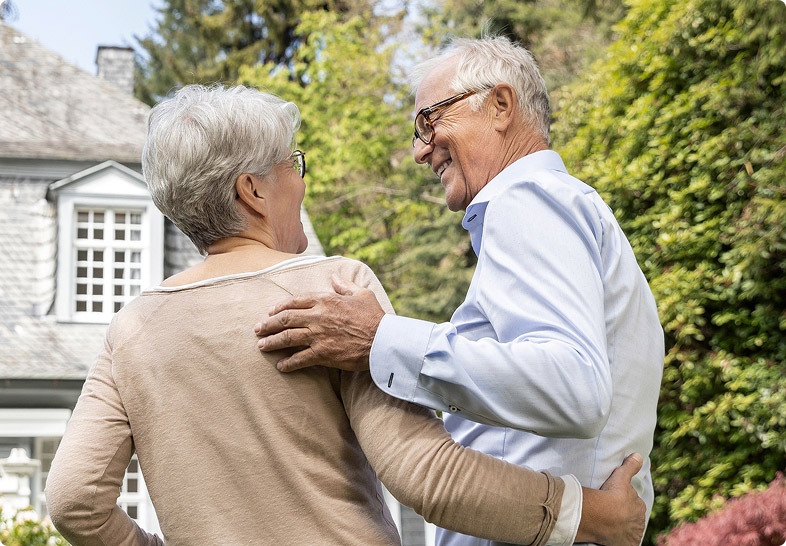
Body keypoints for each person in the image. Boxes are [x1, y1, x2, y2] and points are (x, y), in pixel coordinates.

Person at [45, 84, 646, 546]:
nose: (301, 185)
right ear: (253, 190)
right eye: (292, 166)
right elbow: (424, 475)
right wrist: (592, 515)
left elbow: (74, 500)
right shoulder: (332, 289)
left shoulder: (133, 328)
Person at [254, 36, 664, 546]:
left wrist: (380, 339)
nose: (420, 149)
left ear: (500, 105)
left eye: (430, 121)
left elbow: (574, 388)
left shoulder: (527, 200)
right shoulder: (559, 210)